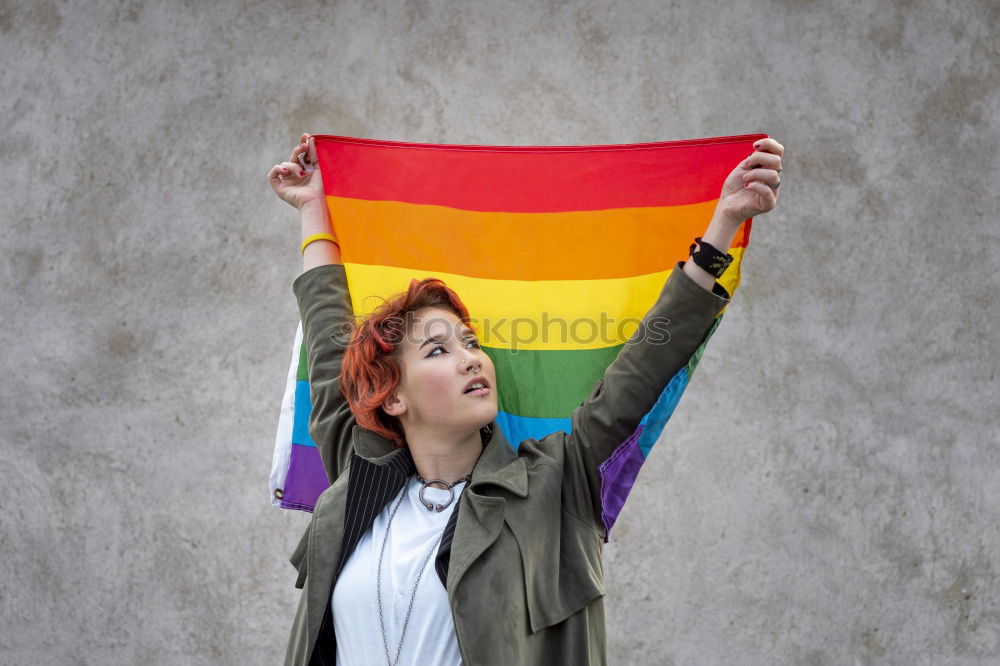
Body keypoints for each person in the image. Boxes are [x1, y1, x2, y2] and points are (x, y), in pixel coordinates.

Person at [269, 133, 783, 666]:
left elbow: (639, 374)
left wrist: (722, 225)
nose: (471, 358)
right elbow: (330, 338)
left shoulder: (555, 486)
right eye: (439, 349)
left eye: (471, 343)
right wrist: (312, 207)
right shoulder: (356, 477)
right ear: (392, 396)